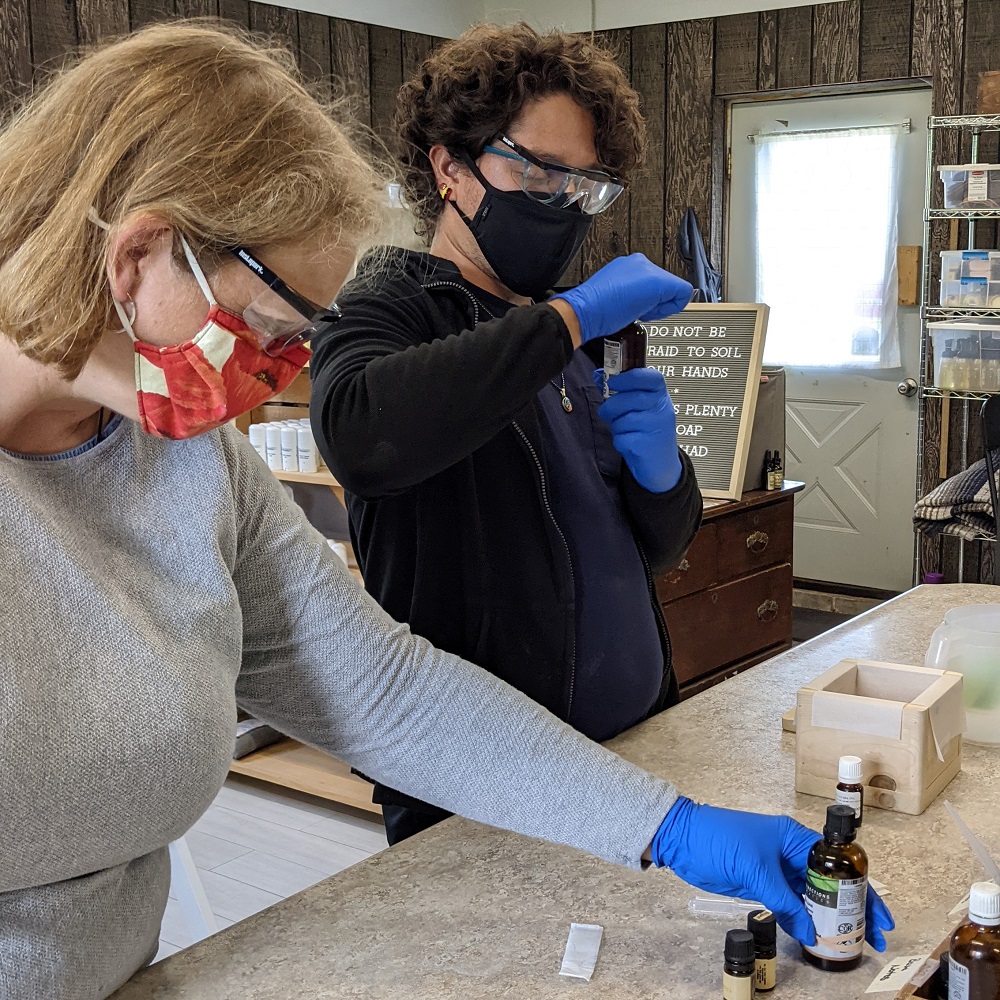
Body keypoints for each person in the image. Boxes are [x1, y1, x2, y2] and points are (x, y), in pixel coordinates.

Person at [0, 23, 892, 1000]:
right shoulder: (424, 321)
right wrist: (561, 322)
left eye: (296, 347)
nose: (266, 382)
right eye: (264, 331)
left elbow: (381, 688)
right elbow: (370, 428)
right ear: (140, 257)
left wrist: (666, 824)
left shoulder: (186, 464)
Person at [309, 23, 703, 845]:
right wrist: (571, 314)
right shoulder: (388, 303)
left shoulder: (570, 335)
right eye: (535, 168)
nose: (560, 200)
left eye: (583, 183)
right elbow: (360, 435)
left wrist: (663, 481)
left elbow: (648, 552)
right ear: (449, 167)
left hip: (628, 755)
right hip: (480, 785)